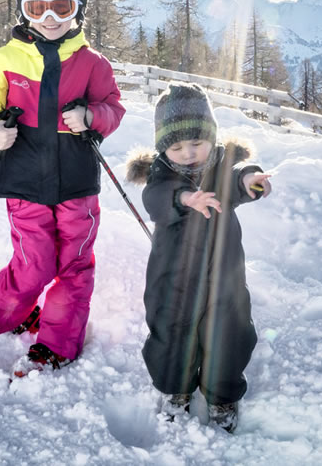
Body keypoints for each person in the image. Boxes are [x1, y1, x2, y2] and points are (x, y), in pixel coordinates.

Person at [0, 0, 125, 373]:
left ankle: (56, 342)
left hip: (76, 182)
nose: (50, 17)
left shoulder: (93, 63)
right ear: (22, 9)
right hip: (25, 179)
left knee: (74, 264)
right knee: (34, 262)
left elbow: (113, 107)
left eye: (62, 6)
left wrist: (92, 117)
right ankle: (4, 313)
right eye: (37, 6)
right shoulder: (4, 61)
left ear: (79, 8)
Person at [124, 84, 273, 433]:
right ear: (164, 147)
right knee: (171, 331)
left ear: (213, 137)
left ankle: (222, 394)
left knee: (229, 331)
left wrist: (251, 179)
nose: (188, 152)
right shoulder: (162, 173)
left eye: (197, 143)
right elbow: (155, 199)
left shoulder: (222, 167)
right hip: (172, 276)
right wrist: (185, 198)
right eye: (177, 146)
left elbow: (239, 178)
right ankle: (175, 390)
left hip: (225, 274)